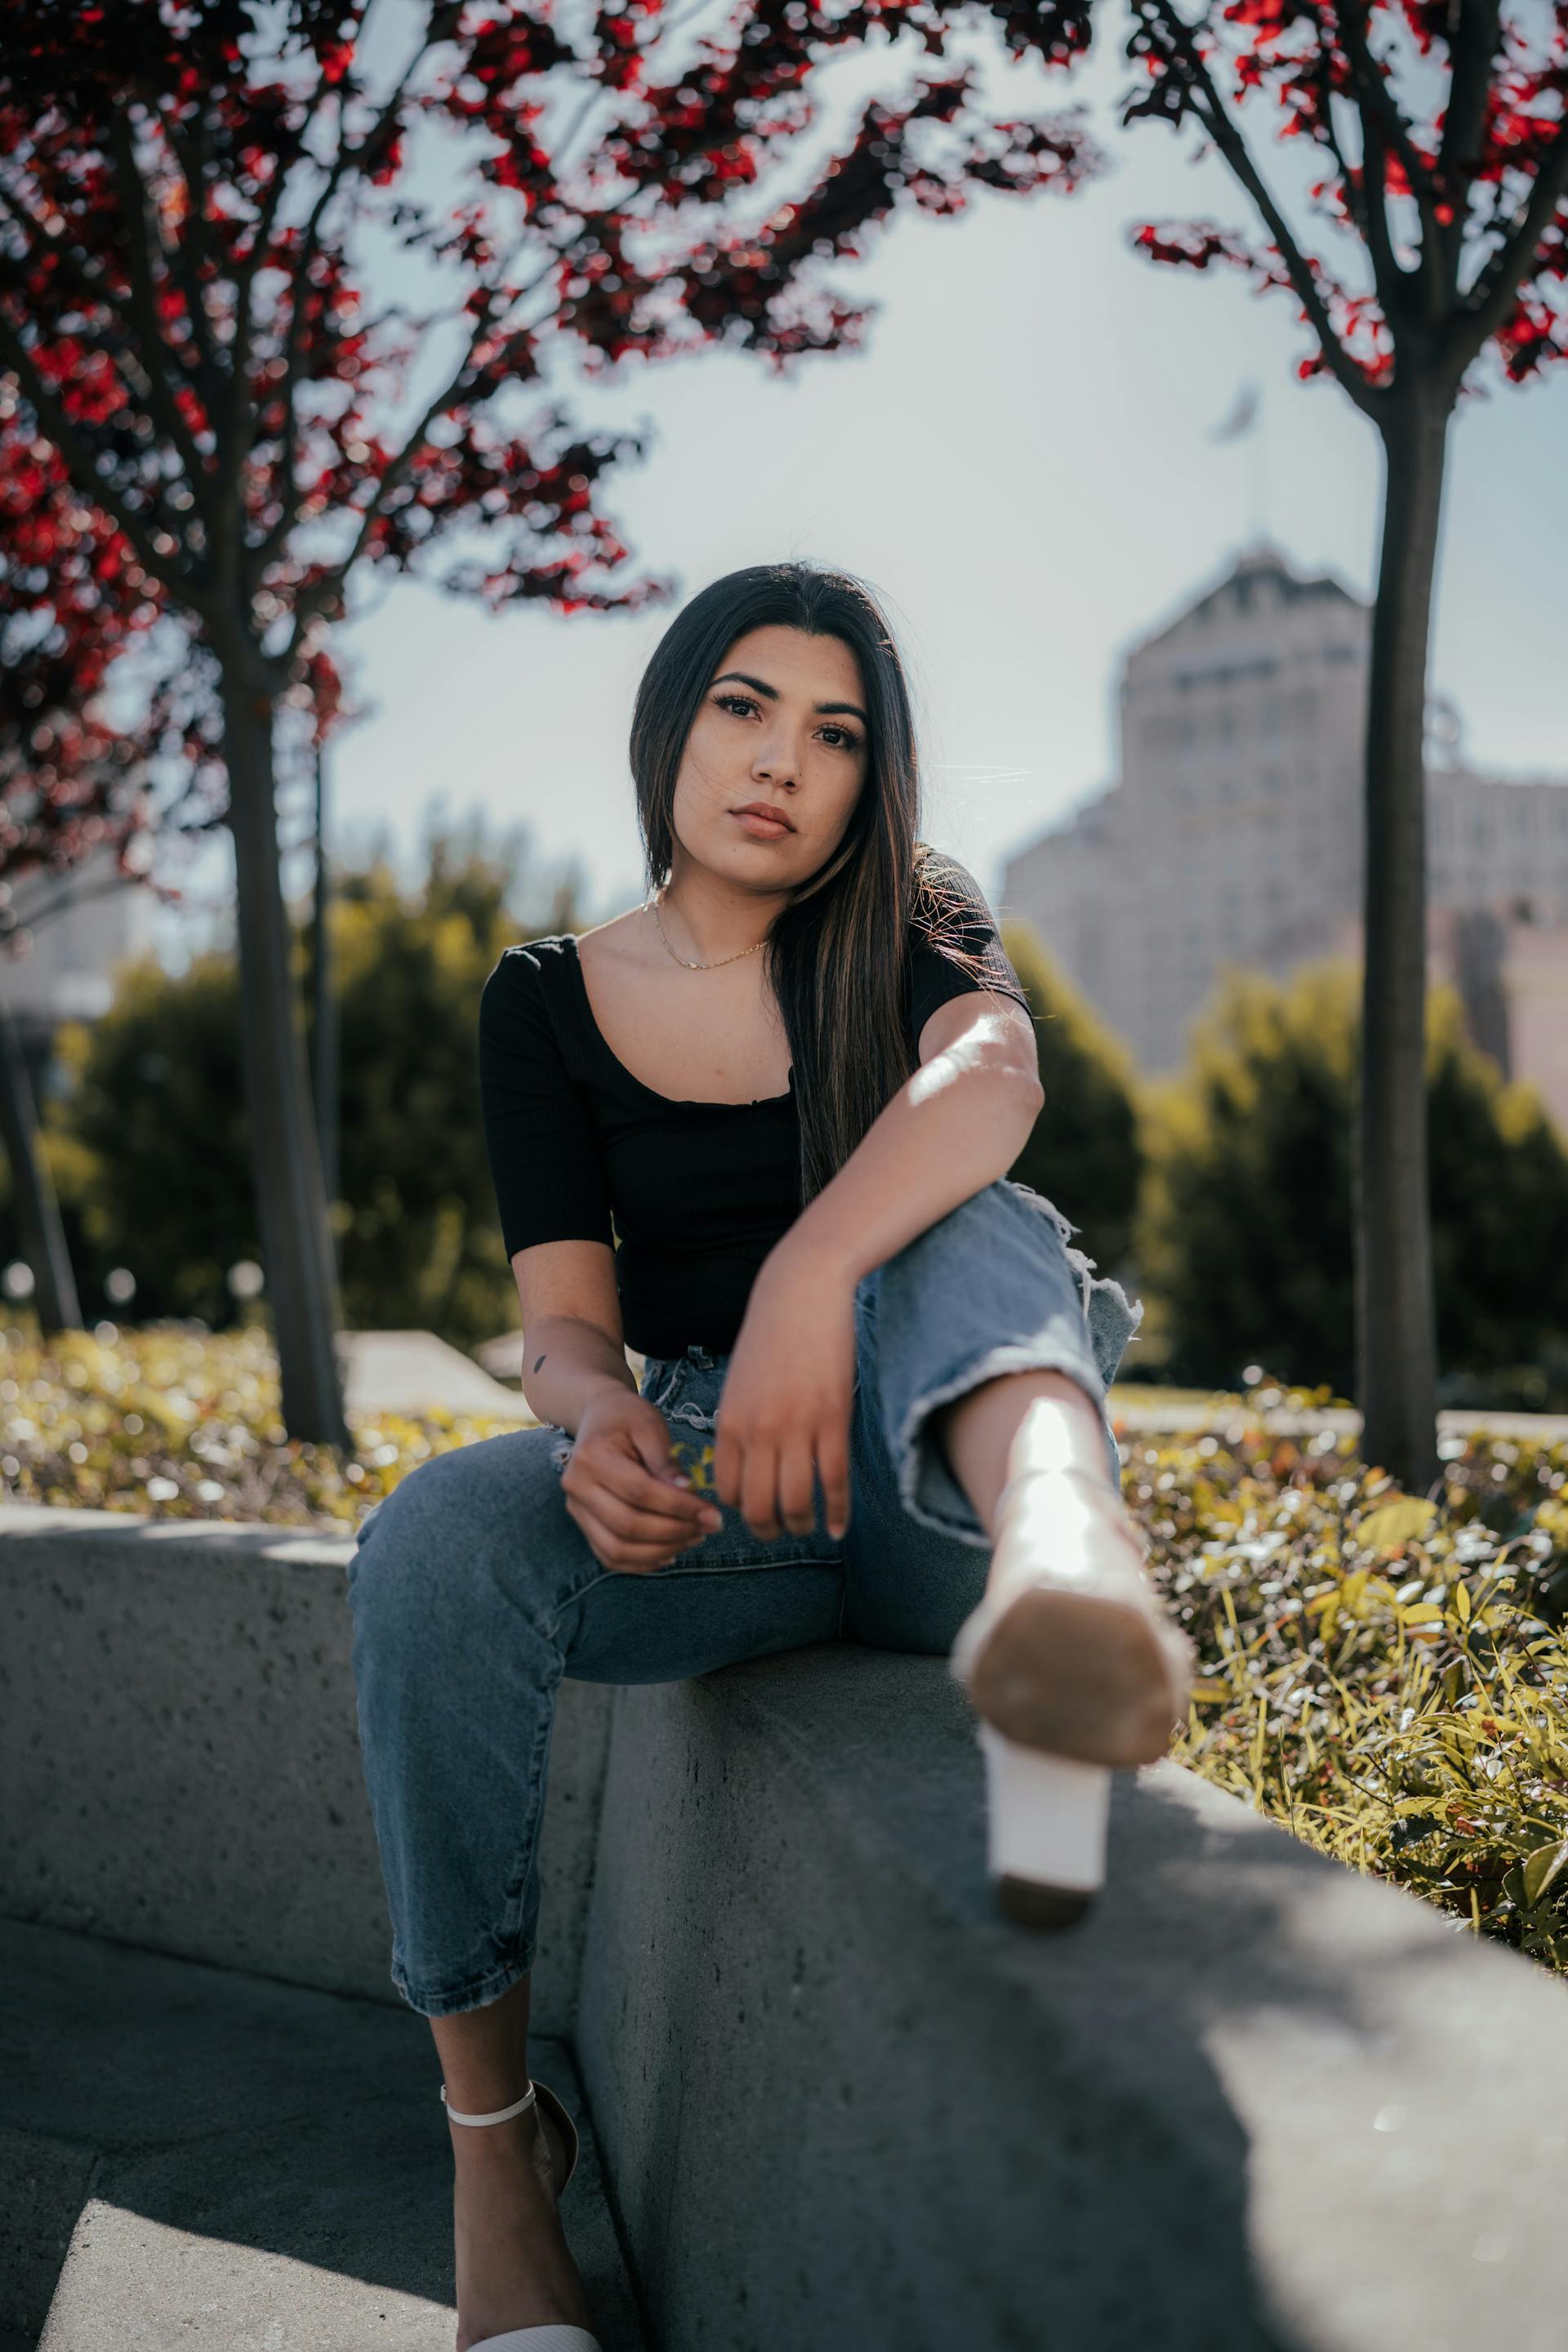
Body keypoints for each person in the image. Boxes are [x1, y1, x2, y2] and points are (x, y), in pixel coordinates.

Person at [346, 559, 1192, 2352]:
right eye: (743, 706)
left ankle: (1067, 1562)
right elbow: (567, 1328)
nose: (780, 762)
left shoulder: (908, 935)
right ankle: (497, 2157)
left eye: (835, 733)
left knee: (974, 1218)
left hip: (934, 1489)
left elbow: (1001, 1075)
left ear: (867, 782)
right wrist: (596, 1427)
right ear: (669, 722)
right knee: (432, 1538)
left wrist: (821, 1266)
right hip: (730, 1506)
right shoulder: (545, 1002)